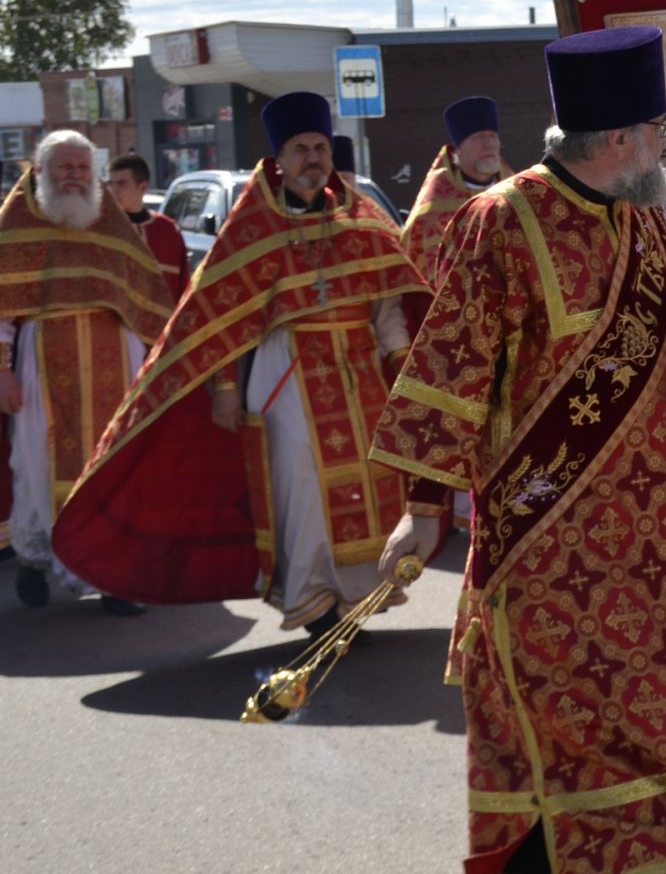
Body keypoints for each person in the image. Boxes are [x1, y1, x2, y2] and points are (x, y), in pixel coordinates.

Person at [371, 26, 666, 874]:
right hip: (547, 545)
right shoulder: (502, 222)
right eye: (658, 134)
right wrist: (421, 513)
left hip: (662, 538)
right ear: (621, 139)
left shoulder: (660, 208)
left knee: (661, 726)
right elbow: (450, 369)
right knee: (556, 735)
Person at [54, 93, 430, 636]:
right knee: (302, 496)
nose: (312, 157)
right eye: (300, 148)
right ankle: (312, 602)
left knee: (370, 489)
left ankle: (355, 600)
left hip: (358, 379)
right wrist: (225, 388)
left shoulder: (363, 222)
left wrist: (402, 368)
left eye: (320, 147)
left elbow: (389, 306)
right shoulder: (251, 229)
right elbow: (217, 319)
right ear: (279, 158)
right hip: (288, 378)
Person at [0, 133, 170, 612]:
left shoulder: (108, 223)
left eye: (81, 166)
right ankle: (35, 561)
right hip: (42, 367)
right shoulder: (15, 224)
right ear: (40, 170)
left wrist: (153, 369)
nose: (74, 174)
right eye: (64, 166)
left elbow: (144, 299)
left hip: (115, 361)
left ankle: (113, 578)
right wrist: (1, 373)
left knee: (114, 469)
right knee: (35, 466)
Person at [402, 95, 506, 276]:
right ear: (458, 149)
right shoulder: (434, 202)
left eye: (493, 136)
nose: (489, 144)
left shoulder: (511, 191)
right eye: (479, 137)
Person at [105, 151, 189, 302]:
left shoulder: (168, 230)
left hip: (163, 321)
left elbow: (183, 284)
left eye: (121, 184)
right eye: (111, 184)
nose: (113, 191)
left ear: (142, 187)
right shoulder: (104, 228)